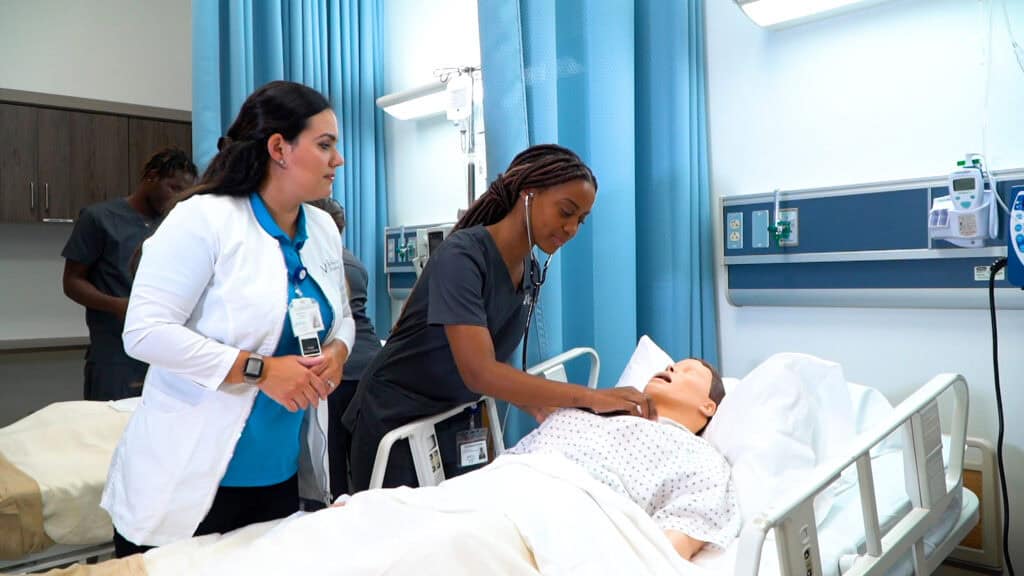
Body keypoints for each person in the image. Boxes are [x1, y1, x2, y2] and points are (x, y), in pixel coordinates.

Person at [101, 80, 356, 558]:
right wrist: (260, 370)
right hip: (188, 486)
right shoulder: (205, 220)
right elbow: (144, 332)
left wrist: (338, 351)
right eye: (325, 145)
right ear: (279, 148)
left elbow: (341, 316)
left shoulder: (321, 227)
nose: (337, 159)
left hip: (278, 476)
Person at [343, 144, 657, 492]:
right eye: (566, 212)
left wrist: (541, 407)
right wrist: (591, 396)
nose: (571, 229)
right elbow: (480, 371)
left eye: (580, 220)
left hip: (452, 418)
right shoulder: (463, 257)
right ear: (528, 194)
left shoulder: (530, 272)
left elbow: (497, 367)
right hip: (395, 416)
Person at [507, 357, 734, 559]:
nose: (671, 367)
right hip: (508, 482)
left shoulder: (701, 457)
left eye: (689, 371)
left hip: (572, 514)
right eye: (672, 365)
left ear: (708, 406)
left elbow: (680, 534)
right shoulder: (584, 413)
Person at [61, 147, 197, 401]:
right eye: (173, 188)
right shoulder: (99, 218)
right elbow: (72, 282)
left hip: (165, 354)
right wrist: (118, 306)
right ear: (152, 177)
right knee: (107, 433)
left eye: (184, 194)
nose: (176, 199)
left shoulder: (173, 225)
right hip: (114, 357)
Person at [306, 197, 384, 497]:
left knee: (333, 459)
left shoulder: (319, 262)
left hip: (340, 368)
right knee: (362, 459)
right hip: (368, 366)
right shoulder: (353, 261)